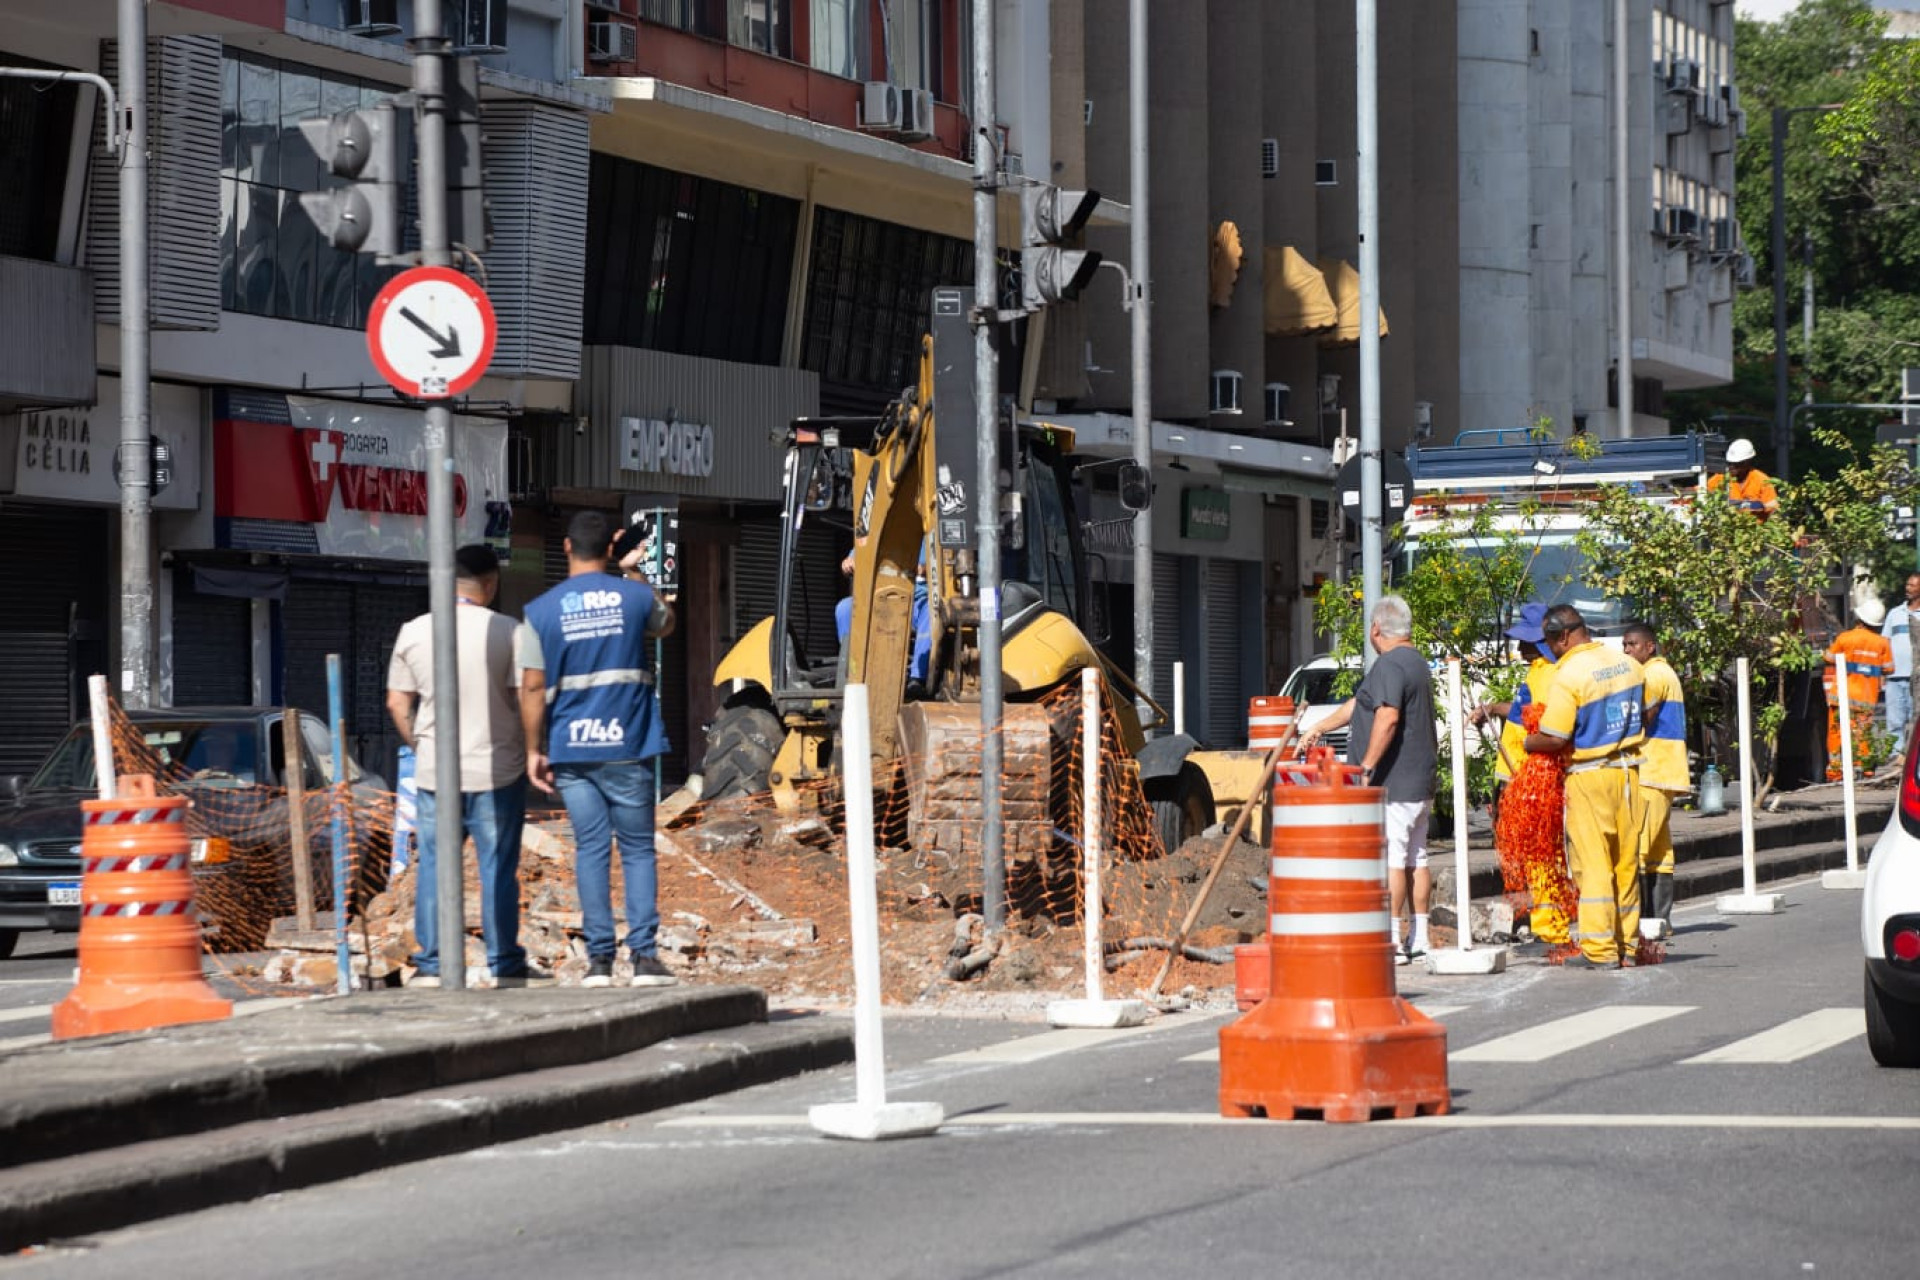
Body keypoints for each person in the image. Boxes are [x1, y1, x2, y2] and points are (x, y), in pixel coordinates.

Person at [519, 510, 679, 989]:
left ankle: (600, 963)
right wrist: (634, 570)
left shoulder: (541, 611)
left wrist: (533, 749)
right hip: (626, 744)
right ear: (609, 549)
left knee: (590, 849)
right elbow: (666, 622)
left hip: (572, 751)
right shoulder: (633, 597)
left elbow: (530, 685)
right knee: (636, 850)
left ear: (566, 548)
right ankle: (646, 959)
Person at [386, 544, 530, 989]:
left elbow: (396, 702)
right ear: (491, 584)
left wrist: (424, 745)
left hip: (434, 774)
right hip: (496, 771)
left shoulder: (413, 631)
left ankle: (431, 964)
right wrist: (530, 747)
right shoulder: (509, 631)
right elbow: (527, 695)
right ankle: (503, 962)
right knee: (497, 868)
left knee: (433, 865)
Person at [1298, 596, 1438, 963]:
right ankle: (1420, 936)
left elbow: (1387, 717)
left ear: (1376, 630)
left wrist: (1367, 767)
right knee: (1416, 857)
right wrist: (1318, 727)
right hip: (1419, 780)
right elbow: (1359, 704)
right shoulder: (1415, 662)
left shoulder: (1391, 665)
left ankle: (1391, 939)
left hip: (1395, 781)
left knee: (1393, 857)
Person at [1522, 605, 1645, 970]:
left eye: (1548, 641)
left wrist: (1529, 743)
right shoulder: (1627, 663)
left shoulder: (1570, 673)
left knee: (1592, 865)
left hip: (1590, 775)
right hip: (1630, 772)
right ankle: (1629, 946)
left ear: (1562, 636)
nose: (1549, 649)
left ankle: (1600, 950)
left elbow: (1555, 736)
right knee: (1625, 863)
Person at [1471, 601, 1568, 947]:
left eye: (1524, 640)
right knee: (1530, 853)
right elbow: (1523, 710)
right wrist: (1496, 709)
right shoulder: (1537, 670)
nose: (1518, 647)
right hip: (1518, 773)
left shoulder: (1551, 673)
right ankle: (1541, 920)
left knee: (1541, 851)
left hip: (1533, 774)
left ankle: (1550, 926)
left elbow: (1546, 722)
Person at [1622, 622, 1687, 941]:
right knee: (1660, 848)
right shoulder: (1666, 672)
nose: (1627, 650)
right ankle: (1660, 919)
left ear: (1650, 646)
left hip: (1651, 769)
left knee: (1639, 845)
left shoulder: (1652, 675)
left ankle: (1642, 919)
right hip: (1666, 770)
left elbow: (1640, 716)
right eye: (1625, 645)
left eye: (1632, 644)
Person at [1825, 600, 1894, 781]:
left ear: (1859, 619)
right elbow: (1889, 668)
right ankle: (1864, 769)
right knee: (1862, 733)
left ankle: (1836, 772)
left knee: (1836, 733)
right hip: (1865, 697)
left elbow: (1828, 657)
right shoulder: (1882, 643)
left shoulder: (1845, 638)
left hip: (1841, 696)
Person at [1881, 574, 1920, 754]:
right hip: (1895, 677)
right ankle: (1895, 759)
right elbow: (1885, 643)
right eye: (1907, 584)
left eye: (1912, 585)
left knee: (1916, 720)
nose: (1908, 588)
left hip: (1917, 678)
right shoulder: (1895, 614)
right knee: (1895, 721)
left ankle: (1913, 760)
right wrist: (1883, 672)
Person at [1705, 437, 1778, 517]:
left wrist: (1759, 507)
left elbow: (1773, 507)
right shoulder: (1721, 478)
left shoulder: (1761, 480)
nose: (1731, 467)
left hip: (1756, 527)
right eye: (1730, 463)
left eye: (1736, 464)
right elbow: (1702, 491)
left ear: (1747, 462)